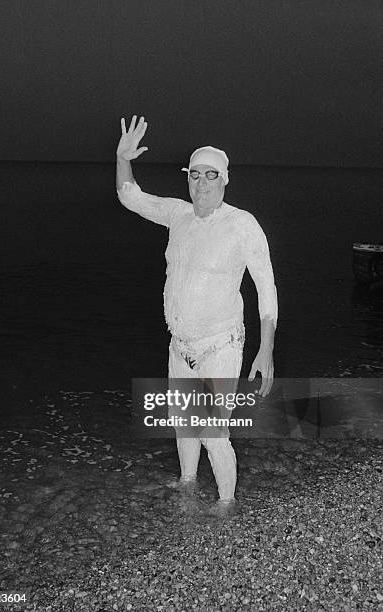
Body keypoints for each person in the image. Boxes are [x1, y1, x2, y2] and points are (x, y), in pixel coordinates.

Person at [116, 115, 278, 513]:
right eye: (195, 175)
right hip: (180, 344)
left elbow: (266, 288)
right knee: (182, 420)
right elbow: (131, 196)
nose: (201, 183)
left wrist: (266, 350)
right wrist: (123, 158)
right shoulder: (178, 215)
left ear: (224, 179)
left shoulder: (242, 225)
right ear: (188, 179)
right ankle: (187, 481)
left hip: (220, 345)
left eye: (210, 175)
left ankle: (226, 503)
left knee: (211, 430)